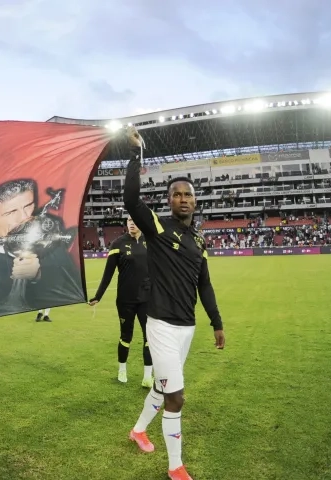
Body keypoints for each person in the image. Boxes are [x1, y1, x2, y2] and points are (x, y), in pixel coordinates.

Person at [121, 126, 225, 480]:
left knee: (160, 386)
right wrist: (137, 154)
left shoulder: (198, 239)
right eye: (176, 194)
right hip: (161, 325)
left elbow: (205, 284)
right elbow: (132, 201)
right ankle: (175, 466)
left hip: (187, 328)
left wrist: (217, 323)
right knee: (176, 397)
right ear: (169, 201)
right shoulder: (158, 228)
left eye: (188, 194)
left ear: (195, 201)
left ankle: (137, 431)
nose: (182, 198)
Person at [0, 178, 82, 318]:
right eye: (11, 212)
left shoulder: (51, 243)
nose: (25, 217)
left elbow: (69, 286)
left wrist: (38, 275)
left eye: (29, 206)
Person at [88, 215, 154, 387]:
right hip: (125, 299)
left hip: (147, 298)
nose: (132, 223)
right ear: (126, 224)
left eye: (135, 220)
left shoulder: (151, 241)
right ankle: (122, 370)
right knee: (126, 335)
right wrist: (98, 296)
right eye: (129, 221)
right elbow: (108, 273)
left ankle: (148, 376)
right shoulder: (117, 244)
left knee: (150, 337)